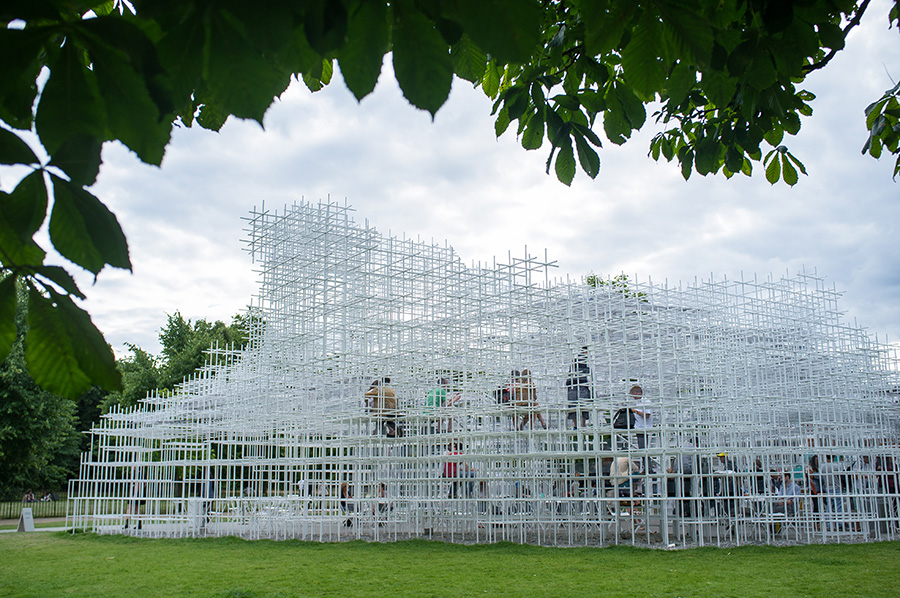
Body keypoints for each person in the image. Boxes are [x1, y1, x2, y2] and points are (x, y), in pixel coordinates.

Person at [565, 347, 592, 429]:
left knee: (577, 406)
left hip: (575, 385)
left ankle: (578, 425)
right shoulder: (582, 361)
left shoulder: (577, 361)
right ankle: (580, 425)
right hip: (578, 385)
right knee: (581, 405)